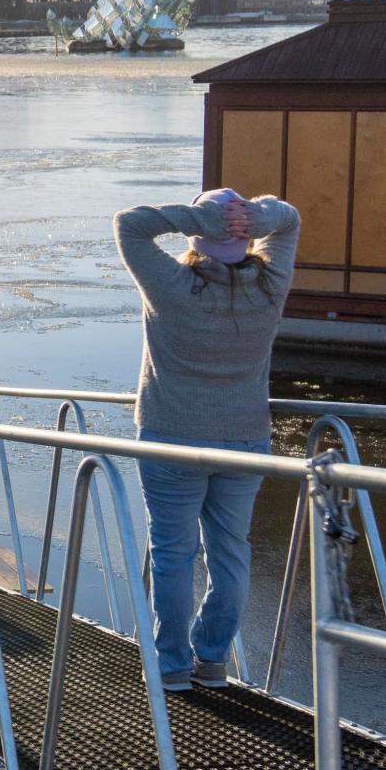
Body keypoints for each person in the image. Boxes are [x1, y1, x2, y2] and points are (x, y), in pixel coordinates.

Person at [114, 187, 300, 693]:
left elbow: (130, 222)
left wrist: (199, 216)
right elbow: (289, 219)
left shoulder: (171, 283)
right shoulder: (271, 283)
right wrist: (255, 216)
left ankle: (172, 666)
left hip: (171, 439)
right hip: (244, 441)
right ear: (244, 238)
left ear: (199, 235)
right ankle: (213, 660)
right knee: (231, 553)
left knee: (173, 553)